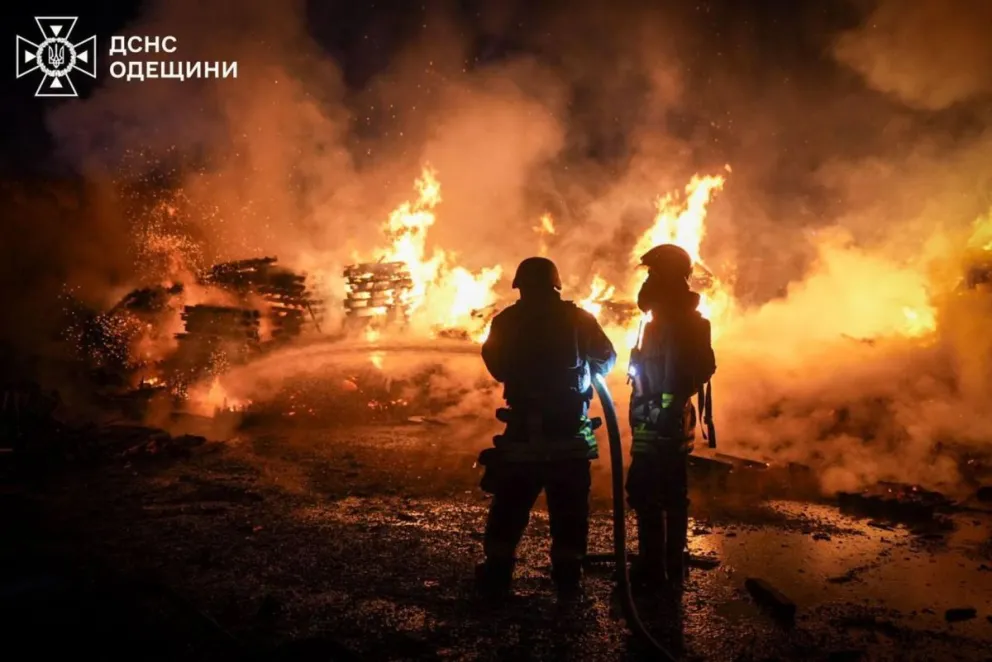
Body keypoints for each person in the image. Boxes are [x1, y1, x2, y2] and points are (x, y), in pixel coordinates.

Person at [476, 257, 617, 598]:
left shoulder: (507, 321)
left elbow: (495, 364)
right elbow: (607, 357)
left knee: (510, 503)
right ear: (556, 285)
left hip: (522, 432)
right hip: (568, 431)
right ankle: (568, 575)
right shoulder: (578, 319)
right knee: (569, 509)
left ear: (521, 286)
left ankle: (497, 569)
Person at [626, 244, 716, 590]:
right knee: (665, 489)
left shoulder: (683, 324)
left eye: (652, 273)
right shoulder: (659, 321)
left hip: (664, 419)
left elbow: (702, 368)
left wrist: (668, 401)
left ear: (666, 277)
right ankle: (668, 561)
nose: (647, 281)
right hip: (660, 416)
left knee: (649, 488)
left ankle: (655, 566)